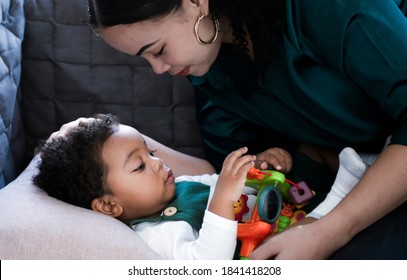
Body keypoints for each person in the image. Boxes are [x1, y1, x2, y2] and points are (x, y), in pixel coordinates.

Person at [86, 0, 407, 259]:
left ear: (196, 3)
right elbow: (231, 176)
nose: (158, 70)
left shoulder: (328, 9)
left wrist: (329, 230)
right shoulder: (210, 73)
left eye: (157, 50)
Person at [34, 114, 370, 259]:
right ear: (109, 205)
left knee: (314, 149)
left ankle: (346, 189)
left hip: (275, 210)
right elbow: (206, 265)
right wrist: (223, 197)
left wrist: (260, 167)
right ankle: (341, 196)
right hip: (263, 250)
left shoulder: (178, 185)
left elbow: (232, 186)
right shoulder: (154, 233)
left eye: (150, 153)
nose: (157, 162)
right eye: (139, 166)